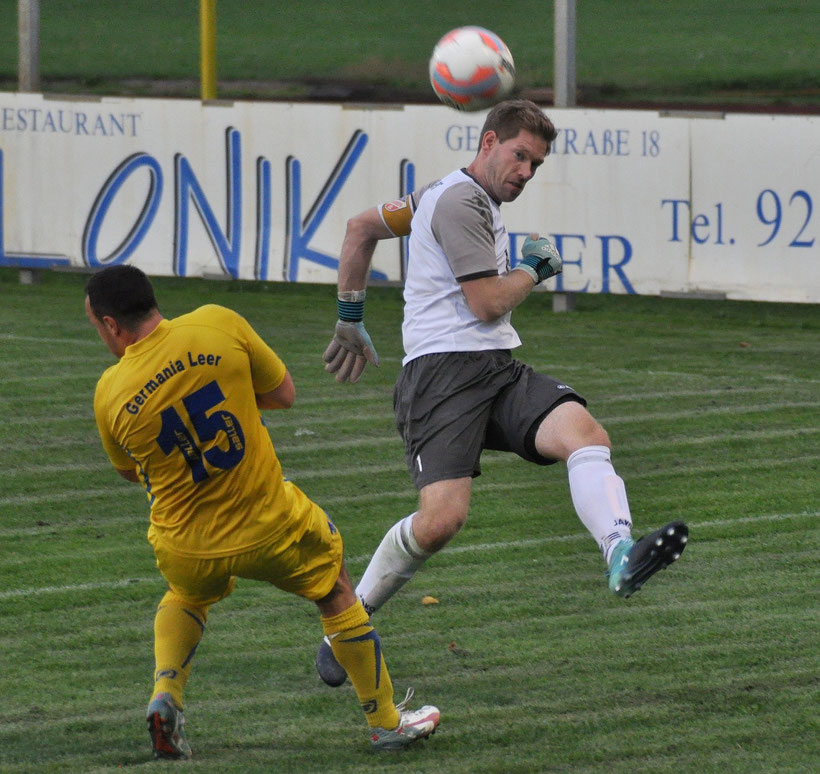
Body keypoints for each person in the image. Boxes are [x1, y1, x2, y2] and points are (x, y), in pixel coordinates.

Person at [316, 99, 688, 687]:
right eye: (519, 156)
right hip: (440, 378)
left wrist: (350, 312)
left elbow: (361, 226)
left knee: (585, 435)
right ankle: (348, 623)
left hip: (493, 367)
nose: (525, 172)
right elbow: (486, 302)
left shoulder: (440, 194)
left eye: (536, 165)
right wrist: (535, 271)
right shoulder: (462, 201)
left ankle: (619, 555)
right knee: (440, 522)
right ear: (488, 142)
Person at [84, 264, 440, 759]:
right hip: (268, 524)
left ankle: (166, 693)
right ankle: (385, 723)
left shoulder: (109, 392)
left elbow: (129, 471)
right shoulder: (217, 322)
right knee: (335, 587)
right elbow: (284, 394)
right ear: (151, 300)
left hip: (184, 542)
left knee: (187, 595)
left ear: (111, 325)